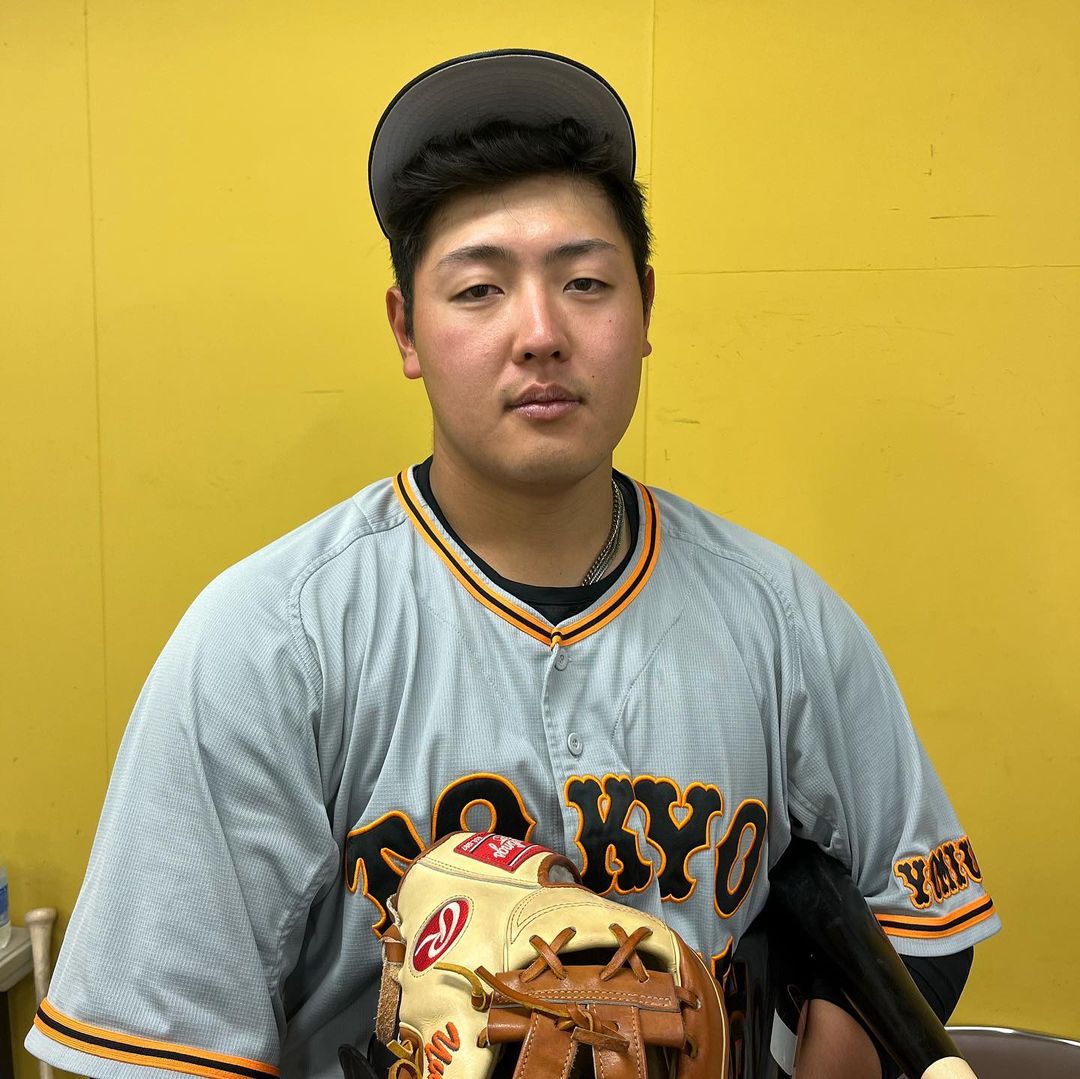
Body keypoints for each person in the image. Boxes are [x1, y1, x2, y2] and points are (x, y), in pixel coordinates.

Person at [27, 49, 999, 1079]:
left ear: (645, 308)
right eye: (480, 288)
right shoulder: (270, 640)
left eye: (585, 283)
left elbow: (922, 919)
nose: (541, 333)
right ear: (407, 329)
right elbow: (157, 1042)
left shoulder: (781, 617)